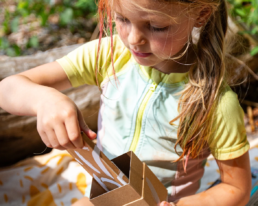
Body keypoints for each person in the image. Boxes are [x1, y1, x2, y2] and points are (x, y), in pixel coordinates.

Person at [0, 0, 252, 205]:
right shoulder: (110, 56)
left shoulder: (216, 102)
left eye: (155, 26)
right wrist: (44, 99)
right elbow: (7, 88)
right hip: (107, 197)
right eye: (122, 19)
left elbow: (236, 188)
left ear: (201, 15)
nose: (133, 39)